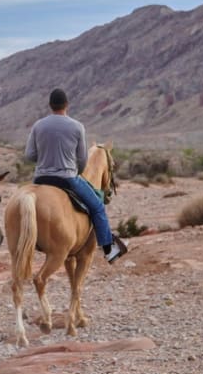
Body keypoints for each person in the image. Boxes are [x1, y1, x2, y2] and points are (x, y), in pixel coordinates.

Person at [25, 88, 127, 264]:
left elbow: (30, 155)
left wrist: (46, 159)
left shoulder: (38, 125)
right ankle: (109, 249)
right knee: (98, 207)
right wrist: (74, 170)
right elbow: (82, 160)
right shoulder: (77, 126)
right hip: (67, 178)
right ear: (67, 105)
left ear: (50, 106)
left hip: (40, 178)